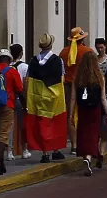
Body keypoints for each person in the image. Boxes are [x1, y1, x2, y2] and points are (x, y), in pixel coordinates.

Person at [25, 33, 68, 161]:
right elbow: (62, 78)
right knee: (54, 123)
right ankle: (55, 150)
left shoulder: (33, 61)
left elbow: (28, 79)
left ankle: (45, 153)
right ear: (51, 45)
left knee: (41, 123)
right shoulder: (57, 60)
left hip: (37, 97)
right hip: (54, 97)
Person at [72, 44, 105, 175]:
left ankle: (85, 156)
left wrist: (70, 115)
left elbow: (73, 99)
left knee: (84, 133)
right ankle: (89, 157)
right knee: (93, 134)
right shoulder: (99, 78)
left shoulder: (78, 78)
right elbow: (103, 98)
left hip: (82, 109)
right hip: (95, 109)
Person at [60, 27, 88, 155]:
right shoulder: (88, 52)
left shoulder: (64, 52)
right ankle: (83, 142)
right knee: (84, 114)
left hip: (68, 85)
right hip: (84, 86)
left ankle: (74, 145)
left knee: (70, 115)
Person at [10, 43, 33, 159]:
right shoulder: (25, 67)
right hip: (20, 99)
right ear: (21, 53)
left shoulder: (7, 66)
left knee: (9, 125)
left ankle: (9, 151)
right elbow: (26, 84)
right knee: (22, 125)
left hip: (9, 98)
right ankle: (24, 150)